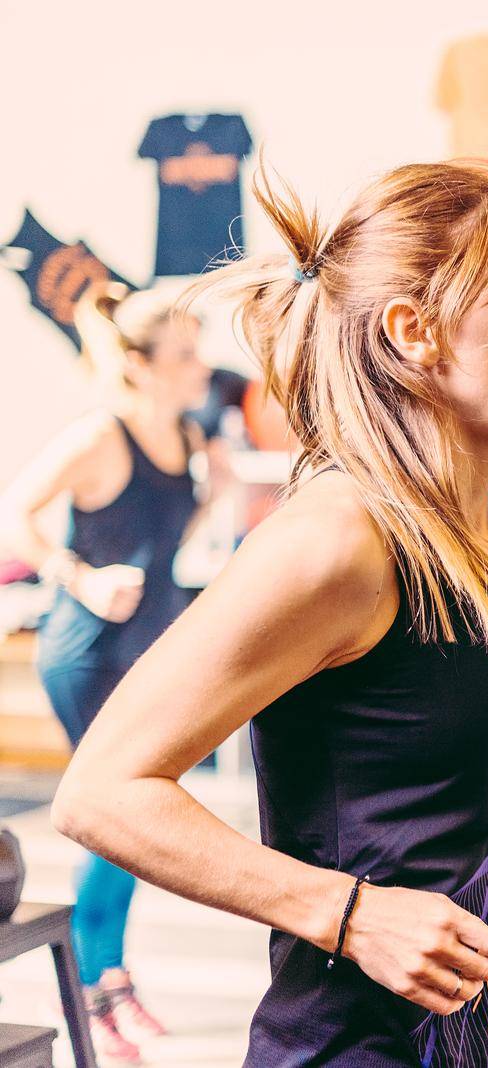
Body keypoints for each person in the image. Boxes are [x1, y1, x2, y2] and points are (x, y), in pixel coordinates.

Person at [49, 161, 488, 1067]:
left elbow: (401, 779)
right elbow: (100, 793)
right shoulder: (336, 540)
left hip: (483, 1033)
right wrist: (347, 916)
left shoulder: (483, 512)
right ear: (415, 333)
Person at [0, 285, 212, 1061]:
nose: (200, 366)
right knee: (126, 820)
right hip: (86, 653)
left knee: (136, 819)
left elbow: (169, 531)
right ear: (139, 364)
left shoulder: (188, 436)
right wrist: (80, 576)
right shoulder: (101, 435)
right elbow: (14, 511)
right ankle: (101, 984)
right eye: (185, 353)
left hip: (149, 653)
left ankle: (109, 976)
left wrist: (212, 488)